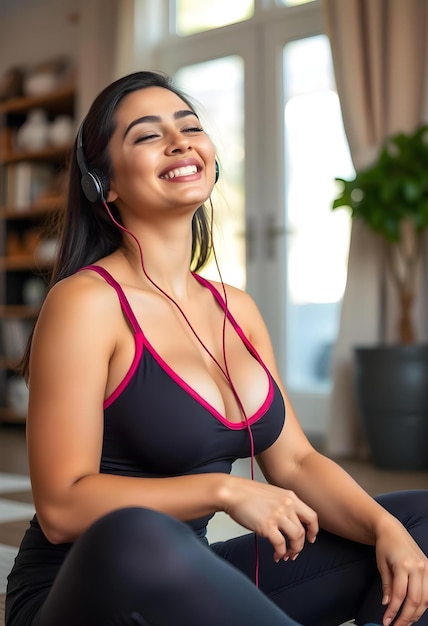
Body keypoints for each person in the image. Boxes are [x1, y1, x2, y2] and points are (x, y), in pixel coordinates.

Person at [5, 70, 427, 626]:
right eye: (147, 134)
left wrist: (383, 529)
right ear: (102, 183)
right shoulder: (85, 303)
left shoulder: (237, 308)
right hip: (91, 587)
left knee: (414, 522)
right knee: (136, 533)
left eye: (190, 127)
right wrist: (227, 491)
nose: (180, 142)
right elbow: (61, 507)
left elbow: (295, 460)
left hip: (195, 578)